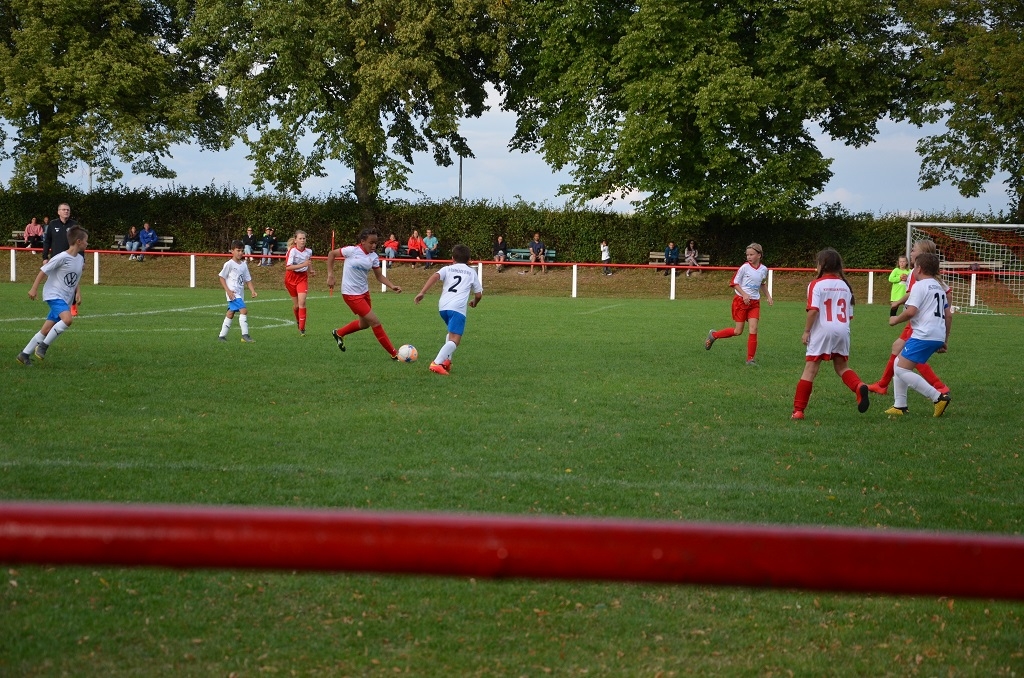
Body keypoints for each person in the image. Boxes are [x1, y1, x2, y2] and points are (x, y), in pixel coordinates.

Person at [791, 248, 870, 420]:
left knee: (810, 370)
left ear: (821, 265)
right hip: (842, 330)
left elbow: (813, 310)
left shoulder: (816, 284)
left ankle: (798, 411)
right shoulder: (845, 286)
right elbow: (849, 315)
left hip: (822, 331)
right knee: (842, 367)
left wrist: (806, 331)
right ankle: (859, 386)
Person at [868, 239, 949, 395]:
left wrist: (897, 303)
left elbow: (913, 294)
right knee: (899, 349)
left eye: (913, 250)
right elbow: (948, 296)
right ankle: (884, 386)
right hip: (926, 322)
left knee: (908, 355)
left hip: (920, 322)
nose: (910, 253)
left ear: (921, 254)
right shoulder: (934, 278)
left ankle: (938, 388)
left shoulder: (916, 273)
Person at [884, 252, 952, 417]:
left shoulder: (919, 286)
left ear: (919, 269)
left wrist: (895, 320)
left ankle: (938, 397)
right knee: (898, 362)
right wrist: (944, 340)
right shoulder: (939, 288)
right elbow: (948, 315)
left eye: (914, 267)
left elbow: (911, 311)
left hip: (923, 334)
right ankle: (900, 405)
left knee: (901, 369)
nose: (912, 270)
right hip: (937, 334)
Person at [326, 228, 403, 359]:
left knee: (364, 324)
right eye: (371, 242)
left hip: (364, 293)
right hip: (350, 294)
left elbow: (379, 276)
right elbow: (331, 254)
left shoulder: (373, 257)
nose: (374, 246)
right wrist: (330, 275)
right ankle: (394, 354)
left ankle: (338, 333)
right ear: (362, 241)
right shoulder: (351, 251)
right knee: (375, 322)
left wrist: (392, 286)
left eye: (376, 243)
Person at [16, 226, 88, 365]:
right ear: (78, 241)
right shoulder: (61, 257)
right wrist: (34, 288)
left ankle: (24, 354)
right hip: (54, 294)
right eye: (86, 240)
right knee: (67, 320)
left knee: (46, 329)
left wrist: (78, 292)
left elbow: (75, 278)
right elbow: (43, 270)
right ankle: (43, 346)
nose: (87, 243)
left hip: (66, 298)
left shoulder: (79, 259)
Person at [414, 243, 483, 376]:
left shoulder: (447, 269)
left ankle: (447, 361)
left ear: (452, 258)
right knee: (455, 340)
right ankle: (436, 363)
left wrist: (422, 292)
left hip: (443, 307)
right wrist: (475, 302)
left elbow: (435, 276)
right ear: (469, 260)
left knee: (451, 334)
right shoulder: (471, 272)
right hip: (458, 309)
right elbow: (479, 294)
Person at [705, 242, 773, 365]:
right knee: (738, 331)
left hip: (754, 303)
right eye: (747, 255)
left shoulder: (764, 269)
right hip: (741, 301)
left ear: (759, 255)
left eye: (751, 254)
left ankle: (750, 359)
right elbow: (734, 283)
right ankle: (714, 335)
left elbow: (762, 283)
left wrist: (768, 296)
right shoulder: (744, 268)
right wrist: (744, 294)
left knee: (754, 328)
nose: (749, 257)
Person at [41, 203, 81, 316]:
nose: (66, 211)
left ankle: (72, 304)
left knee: (70, 281)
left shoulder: (74, 225)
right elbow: (47, 241)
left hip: (70, 259)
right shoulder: (52, 224)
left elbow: (80, 242)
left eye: (68, 210)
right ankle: (58, 306)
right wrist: (45, 257)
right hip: (56, 259)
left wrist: (82, 259)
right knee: (56, 283)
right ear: (58, 212)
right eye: (63, 209)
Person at [217, 240, 258, 343]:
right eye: (238, 250)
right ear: (232, 251)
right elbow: (221, 277)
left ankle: (221, 336)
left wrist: (252, 291)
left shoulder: (244, 265)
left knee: (230, 313)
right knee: (244, 311)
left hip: (240, 293)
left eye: (242, 251)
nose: (240, 253)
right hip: (233, 294)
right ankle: (245, 335)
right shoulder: (229, 264)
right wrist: (228, 291)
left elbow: (248, 279)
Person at [284, 230, 315, 336]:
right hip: (291, 278)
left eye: (304, 238)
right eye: (300, 238)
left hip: (302, 278)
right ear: (295, 240)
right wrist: (303, 265)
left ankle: (302, 328)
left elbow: (308, 261)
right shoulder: (292, 251)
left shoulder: (308, 251)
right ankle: (298, 321)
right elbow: (288, 267)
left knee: (302, 302)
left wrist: (311, 269)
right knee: (297, 305)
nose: (302, 240)